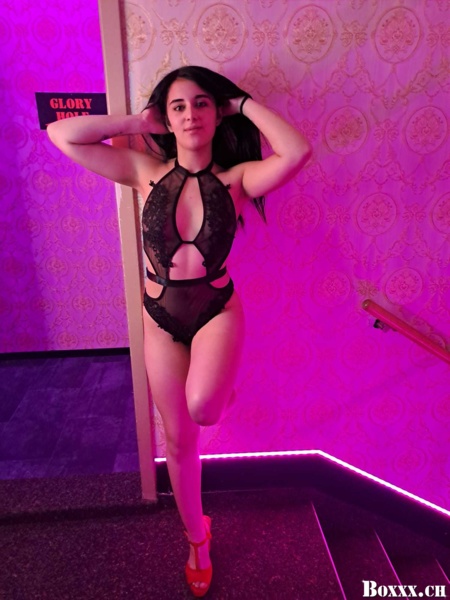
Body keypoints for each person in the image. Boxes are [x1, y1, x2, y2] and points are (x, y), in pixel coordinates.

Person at [47, 65, 311, 597]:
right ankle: (197, 538)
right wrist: (136, 121)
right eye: (179, 106)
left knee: (204, 408)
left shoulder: (238, 180)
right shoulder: (142, 170)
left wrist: (241, 104)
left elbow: (297, 151)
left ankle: (216, 387)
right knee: (179, 440)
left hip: (216, 309)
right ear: (166, 118)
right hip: (160, 317)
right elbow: (61, 134)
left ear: (217, 113)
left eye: (202, 103)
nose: (191, 114)